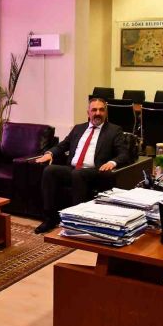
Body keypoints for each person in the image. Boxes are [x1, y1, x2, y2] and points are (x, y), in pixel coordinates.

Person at [33, 98, 130, 234]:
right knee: (50, 170)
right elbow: (63, 145)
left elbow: (124, 154)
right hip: (73, 169)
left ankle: (77, 221)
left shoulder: (114, 130)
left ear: (106, 112)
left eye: (101, 110)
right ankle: (50, 218)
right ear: (88, 113)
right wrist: (50, 153)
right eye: (94, 110)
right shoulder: (78, 128)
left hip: (96, 171)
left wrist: (112, 162)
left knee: (78, 174)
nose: (98, 113)